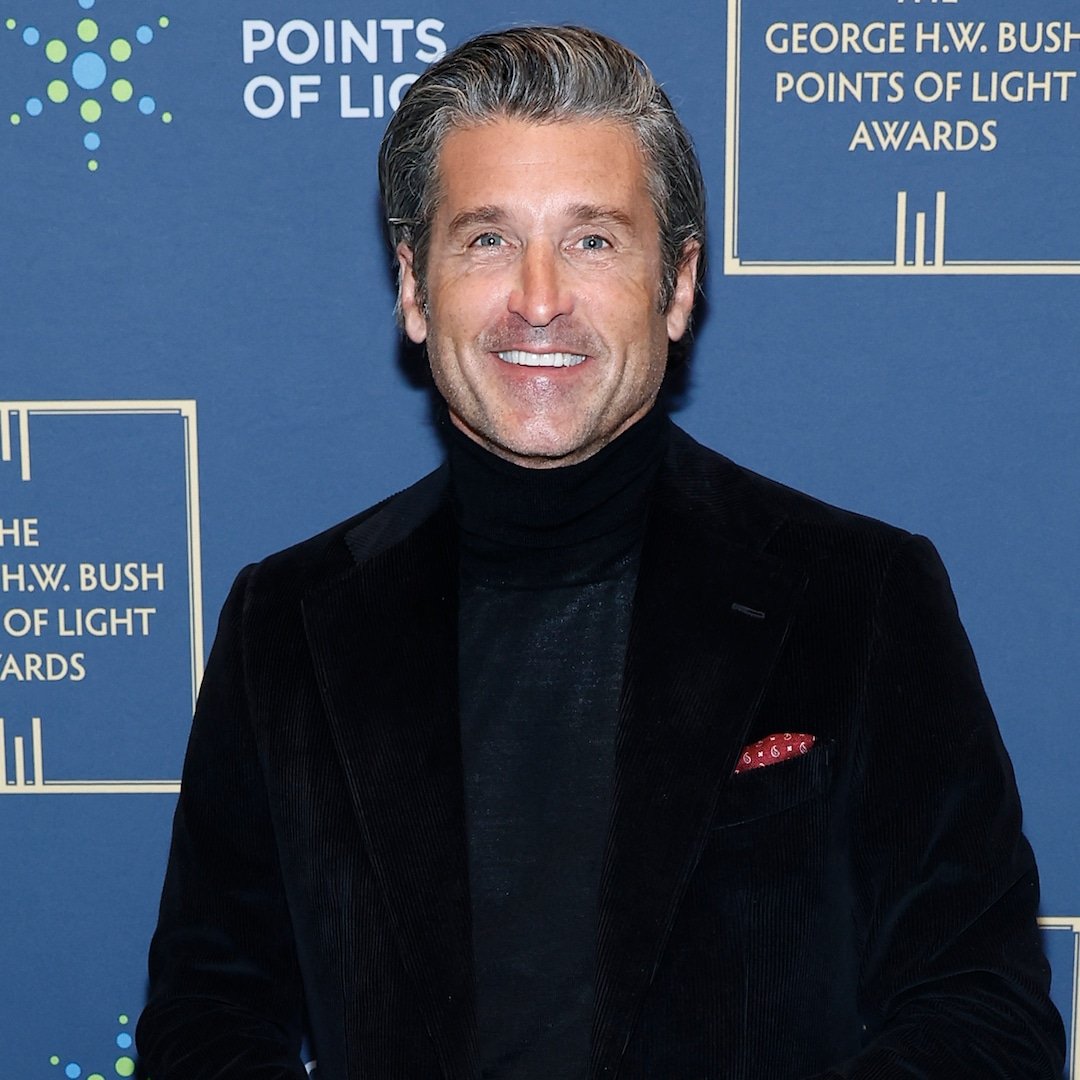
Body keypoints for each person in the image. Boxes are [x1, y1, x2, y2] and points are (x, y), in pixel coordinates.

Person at [137, 25, 1065, 1080]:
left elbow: (981, 1010)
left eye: (592, 240)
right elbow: (207, 1017)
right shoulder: (286, 623)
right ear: (413, 287)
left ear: (678, 285)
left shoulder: (861, 596)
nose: (538, 299)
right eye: (487, 239)